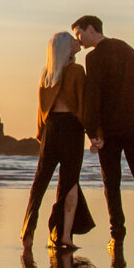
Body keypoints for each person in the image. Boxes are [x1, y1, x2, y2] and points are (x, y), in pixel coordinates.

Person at [72, 14, 134, 248]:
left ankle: (117, 234)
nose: (78, 41)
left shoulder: (94, 58)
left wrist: (92, 132)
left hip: (110, 131)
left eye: (79, 34)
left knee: (111, 183)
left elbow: (93, 97)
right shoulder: (127, 49)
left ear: (90, 28)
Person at [21, 31, 95, 249]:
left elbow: (41, 108)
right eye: (72, 40)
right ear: (66, 48)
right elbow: (83, 104)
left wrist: (41, 133)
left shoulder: (47, 73)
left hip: (51, 127)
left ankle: (28, 231)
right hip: (72, 128)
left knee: (40, 182)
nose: (77, 42)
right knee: (69, 183)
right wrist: (93, 133)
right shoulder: (76, 71)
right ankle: (64, 235)